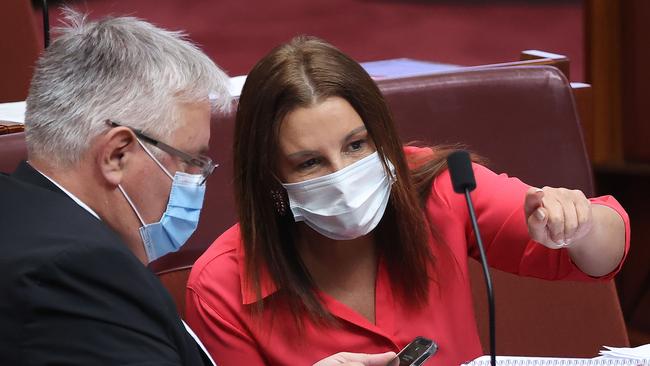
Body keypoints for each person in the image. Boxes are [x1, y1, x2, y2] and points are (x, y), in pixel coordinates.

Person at [185, 36, 630, 366]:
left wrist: (583, 224)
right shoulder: (220, 288)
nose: (342, 175)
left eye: (357, 145)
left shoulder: (436, 185)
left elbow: (602, 256)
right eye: (308, 163)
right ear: (268, 175)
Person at [0, 12, 392, 366]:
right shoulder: (79, 274)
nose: (199, 178)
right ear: (117, 154)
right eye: (191, 159)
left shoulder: (18, 213)